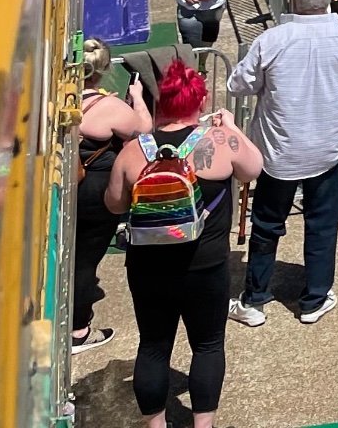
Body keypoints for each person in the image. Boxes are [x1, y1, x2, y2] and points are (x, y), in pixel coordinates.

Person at [107, 59, 262, 428]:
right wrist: (231, 124)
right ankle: (202, 425)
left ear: (162, 102)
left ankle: (156, 424)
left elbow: (114, 203)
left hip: (148, 268)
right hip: (205, 263)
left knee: (153, 345)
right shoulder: (218, 141)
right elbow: (253, 169)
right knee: (207, 345)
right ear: (201, 102)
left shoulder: (134, 151)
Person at [227, 0, 338, 326]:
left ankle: (255, 298)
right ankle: (314, 298)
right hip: (329, 146)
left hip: (279, 150)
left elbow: (238, 83)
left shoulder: (272, 40)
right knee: (322, 223)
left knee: (266, 223)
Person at [71, 42, 153, 352]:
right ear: (103, 70)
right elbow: (144, 130)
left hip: (59, 187)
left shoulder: (52, 97)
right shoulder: (110, 108)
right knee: (84, 261)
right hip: (93, 193)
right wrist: (137, 100)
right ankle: (78, 330)